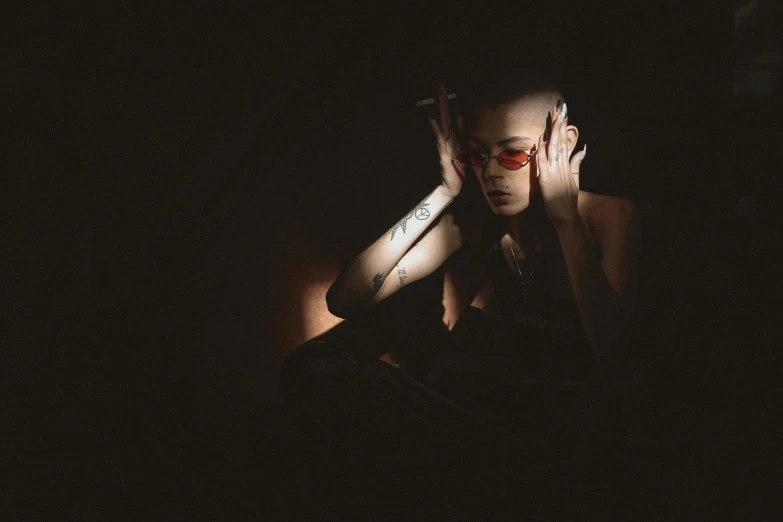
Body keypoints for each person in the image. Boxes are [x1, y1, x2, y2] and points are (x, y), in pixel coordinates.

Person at [286, 69, 641, 432]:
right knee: (315, 365)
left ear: (562, 143)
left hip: (598, 419)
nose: (490, 173)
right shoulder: (477, 225)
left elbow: (614, 354)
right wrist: (443, 192)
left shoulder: (610, 217)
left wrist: (566, 220)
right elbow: (344, 299)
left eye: (513, 154)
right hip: (516, 412)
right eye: (478, 154)